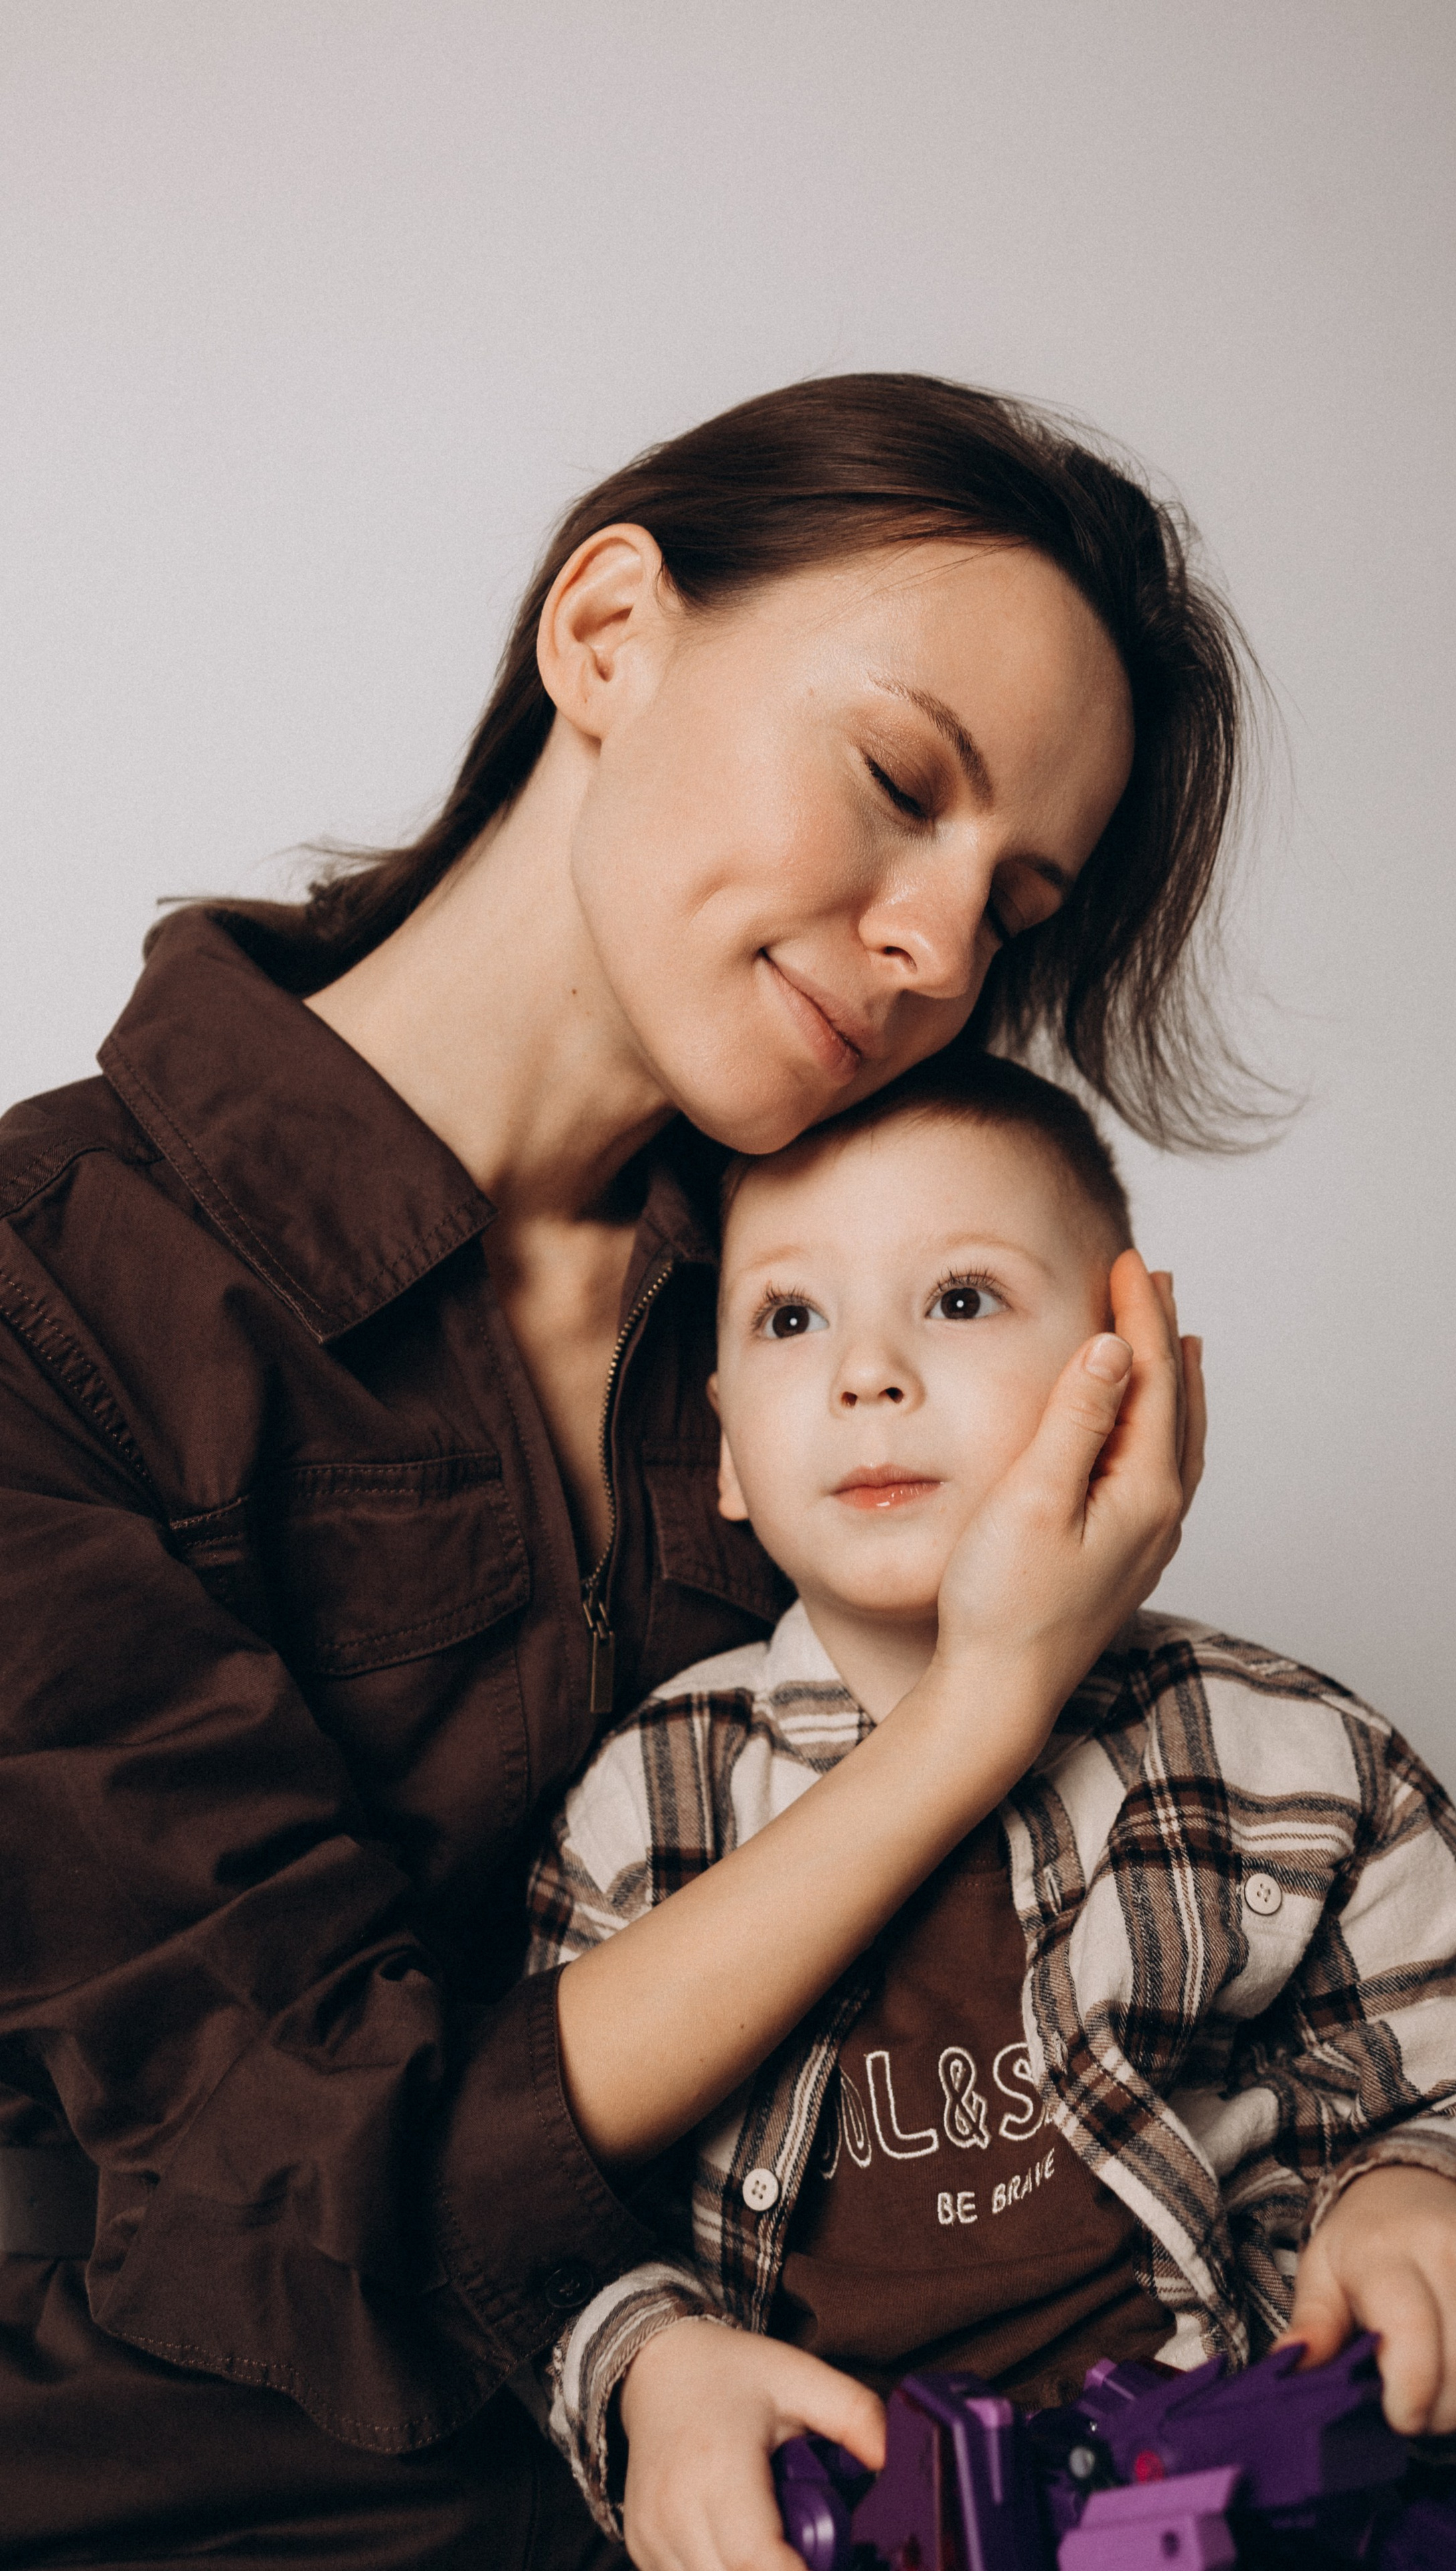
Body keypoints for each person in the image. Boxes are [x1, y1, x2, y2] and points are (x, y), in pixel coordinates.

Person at [0, 374, 1234, 2567]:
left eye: (1013, 905)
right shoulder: (45, 1299)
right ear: (607, 635)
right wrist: (971, 1705)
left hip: (843, 2465)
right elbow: (282, 2167)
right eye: (899, 781)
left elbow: (1061, 2013)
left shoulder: (847, 1321)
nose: (943, 950)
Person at [523, 1053, 1456, 2571]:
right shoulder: (640, 1809)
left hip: (1260, 2484)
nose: (867, 1371)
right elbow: (539, 2225)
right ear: (725, 1445)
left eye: (959, 1298)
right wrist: (652, 2376)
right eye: (791, 1318)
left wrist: (1439, 2198)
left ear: (1127, 1369)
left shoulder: (1288, 1758)